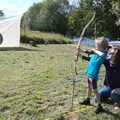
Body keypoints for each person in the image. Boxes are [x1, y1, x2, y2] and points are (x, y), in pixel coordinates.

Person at [76, 37, 109, 105]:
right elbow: (89, 58)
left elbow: (102, 55)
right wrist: (80, 53)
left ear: (101, 47)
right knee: (89, 87)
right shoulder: (96, 53)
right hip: (89, 73)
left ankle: (99, 106)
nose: (95, 47)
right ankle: (88, 100)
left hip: (93, 75)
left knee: (95, 90)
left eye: (97, 46)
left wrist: (94, 50)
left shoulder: (103, 54)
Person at [95, 45, 120, 113]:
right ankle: (112, 98)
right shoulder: (107, 62)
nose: (110, 55)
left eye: (112, 54)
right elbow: (101, 56)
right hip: (108, 87)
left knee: (114, 93)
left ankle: (117, 102)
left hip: (117, 89)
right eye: (110, 54)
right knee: (97, 98)